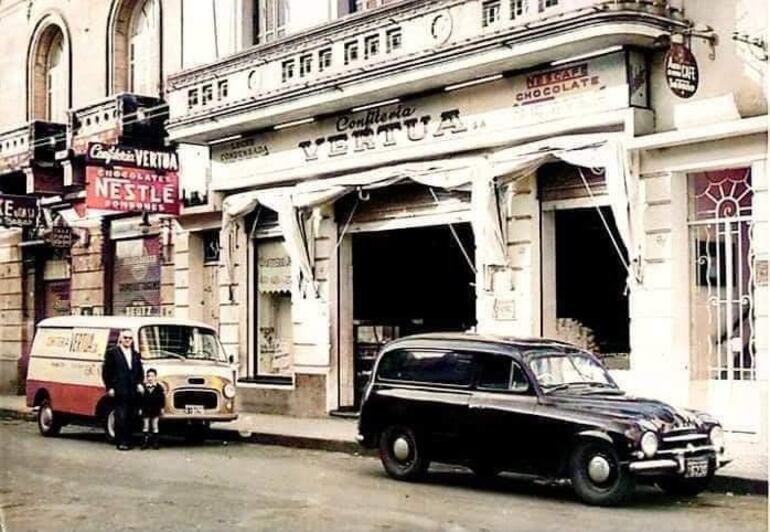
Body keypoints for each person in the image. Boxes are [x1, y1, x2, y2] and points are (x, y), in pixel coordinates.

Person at [102, 329, 144, 450]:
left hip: (132, 390)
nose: (127, 340)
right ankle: (120, 441)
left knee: (131, 415)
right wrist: (109, 387)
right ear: (120, 338)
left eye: (130, 338)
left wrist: (139, 383)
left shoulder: (135, 354)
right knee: (121, 416)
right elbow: (106, 372)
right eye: (125, 337)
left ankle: (129, 441)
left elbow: (139, 371)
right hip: (119, 389)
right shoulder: (112, 353)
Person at [140, 368, 165, 450]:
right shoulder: (143, 387)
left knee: (155, 425)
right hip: (146, 408)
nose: (150, 378)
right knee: (146, 425)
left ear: (155, 377)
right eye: (148, 376)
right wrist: (140, 408)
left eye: (152, 376)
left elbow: (162, 398)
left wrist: (162, 407)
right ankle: (145, 442)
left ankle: (155, 442)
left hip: (155, 408)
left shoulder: (159, 388)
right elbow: (140, 399)